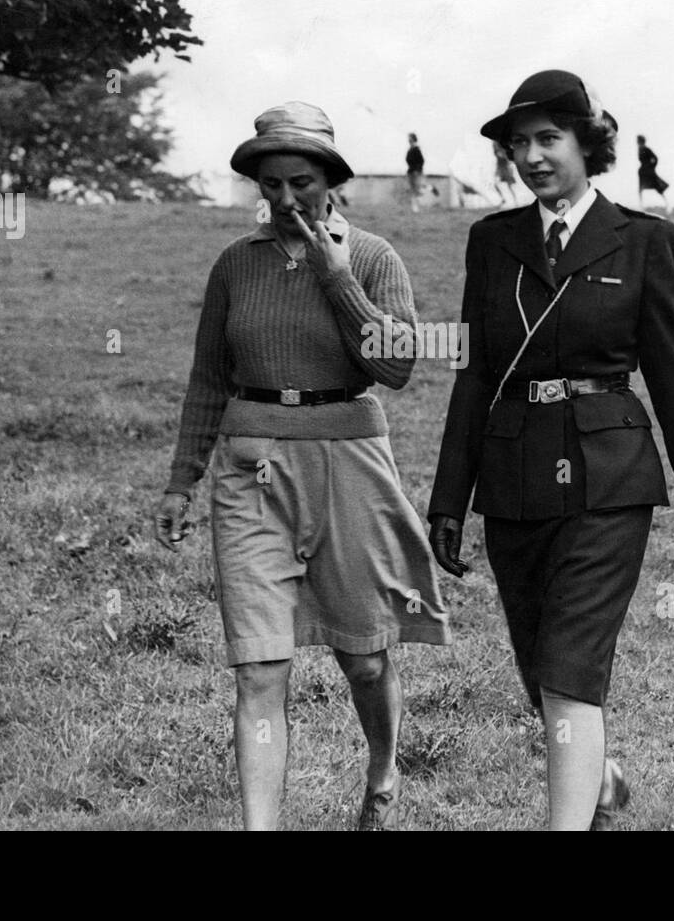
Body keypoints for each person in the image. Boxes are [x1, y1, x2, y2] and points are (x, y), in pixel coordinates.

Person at [427, 70, 674, 830]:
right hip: (514, 473)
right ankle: (595, 775)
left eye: (548, 139)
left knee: (568, 663)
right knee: (540, 666)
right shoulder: (490, 243)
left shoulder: (644, 239)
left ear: (587, 145)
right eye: (517, 144)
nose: (531, 156)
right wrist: (447, 502)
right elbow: (475, 375)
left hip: (610, 478)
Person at [155, 101, 450, 830]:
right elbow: (207, 379)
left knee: (367, 658)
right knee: (258, 666)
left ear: (331, 182)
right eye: (271, 184)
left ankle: (382, 774)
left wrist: (337, 280)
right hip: (250, 467)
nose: (286, 199)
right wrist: (180, 481)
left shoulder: (375, 257)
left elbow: (400, 368)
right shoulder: (235, 265)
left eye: (302, 182)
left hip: (349, 462)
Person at [637, 134, 672, 214]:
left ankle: (668, 205)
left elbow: (655, 158)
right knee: (640, 189)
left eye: (638, 141)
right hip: (643, 172)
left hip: (648, 172)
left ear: (641, 141)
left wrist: (651, 167)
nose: (638, 143)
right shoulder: (639, 149)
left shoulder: (646, 149)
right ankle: (641, 207)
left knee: (658, 188)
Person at [492, 142, 518, 206]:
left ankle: (515, 201)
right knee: (496, 183)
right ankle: (503, 199)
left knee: (510, 186)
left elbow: (506, 156)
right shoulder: (495, 143)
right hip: (500, 167)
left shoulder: (501, 144)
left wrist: (510, 165)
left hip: (505, 168)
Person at [405, 132, 425, 213]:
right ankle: (414, 207)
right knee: (412, 190)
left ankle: (417, 207)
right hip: (410, 172)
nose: (408, 139)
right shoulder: (410, 149)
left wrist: (417, 170)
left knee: (416, 190)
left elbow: (421, 161)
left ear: (413, 139)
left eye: (410, 138)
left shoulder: (416, 149)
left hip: (415, 173)